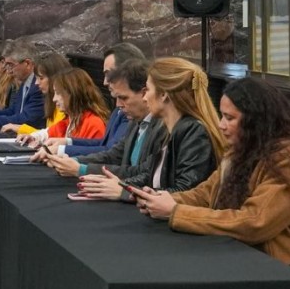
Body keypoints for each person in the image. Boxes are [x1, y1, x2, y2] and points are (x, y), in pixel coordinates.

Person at [132, 77, 290, 267]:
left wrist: (175, 211)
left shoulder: (289, 160)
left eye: (229, 118)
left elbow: (255, 222)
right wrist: (162, 199)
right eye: (222, 116)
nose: (221, 125)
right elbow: (205, 194)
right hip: (255, 265)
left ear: (256, 121)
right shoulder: (240, 152)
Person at [78, 57, 223, 200]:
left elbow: (186, 191)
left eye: (147, 90)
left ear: (164, 94)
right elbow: (150, 173)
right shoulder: (168, 129)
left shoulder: (194, 132)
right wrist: (121, 185)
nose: (145, 97)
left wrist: (125, 192)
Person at [41, 58, 162, 179]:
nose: (118, 105)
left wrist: (82, 169)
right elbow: (113, 155)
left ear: (144, 93)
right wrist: (73, 161)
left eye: (124, 98)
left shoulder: (162, 128)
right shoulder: (135, 122)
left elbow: (143, 172)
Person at [10, 66, 108, 142]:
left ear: (72, 93)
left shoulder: (93, 124)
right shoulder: (70, 121)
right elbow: (48, 132)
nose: (54, 99)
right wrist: (33, 137)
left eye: (59, 93)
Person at [0, 42, 45, 129]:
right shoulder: (25, 83)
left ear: (27, 63)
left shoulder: (37, 86)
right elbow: (12, 111)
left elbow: (26, 119)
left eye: (11, 65)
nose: (8, 71)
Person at [0, 53, 72, 135]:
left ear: (56, 77)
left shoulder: (65, 106)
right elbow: (48, 133)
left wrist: (21, 129)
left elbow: (54, 136)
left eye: (41, 78)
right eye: (36, 78)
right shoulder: (50, 102)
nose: (36, 83)